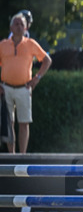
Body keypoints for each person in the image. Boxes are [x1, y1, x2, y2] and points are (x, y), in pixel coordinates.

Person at [0, 13, 51, 153]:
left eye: (22, 24)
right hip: (6, 88)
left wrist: (37, 78)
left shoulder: (31, 44)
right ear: (11, 27)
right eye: (16, 24)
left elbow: (47, 60)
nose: (19, 27)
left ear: (26, 27)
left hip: (24, 88)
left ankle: (22, 156)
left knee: (24, 123)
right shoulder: (3, 45)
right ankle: (12, 156)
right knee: (8, 124)